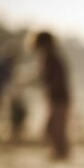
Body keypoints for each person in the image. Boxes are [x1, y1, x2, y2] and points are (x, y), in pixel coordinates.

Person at [31, 31, 71, 159]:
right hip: (55, 97)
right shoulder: (48, 58)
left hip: (59, 97)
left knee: (56, 127)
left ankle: (61, 153)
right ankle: (59, 152)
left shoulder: (52, 59)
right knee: (52, 127)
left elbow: (55, 80)